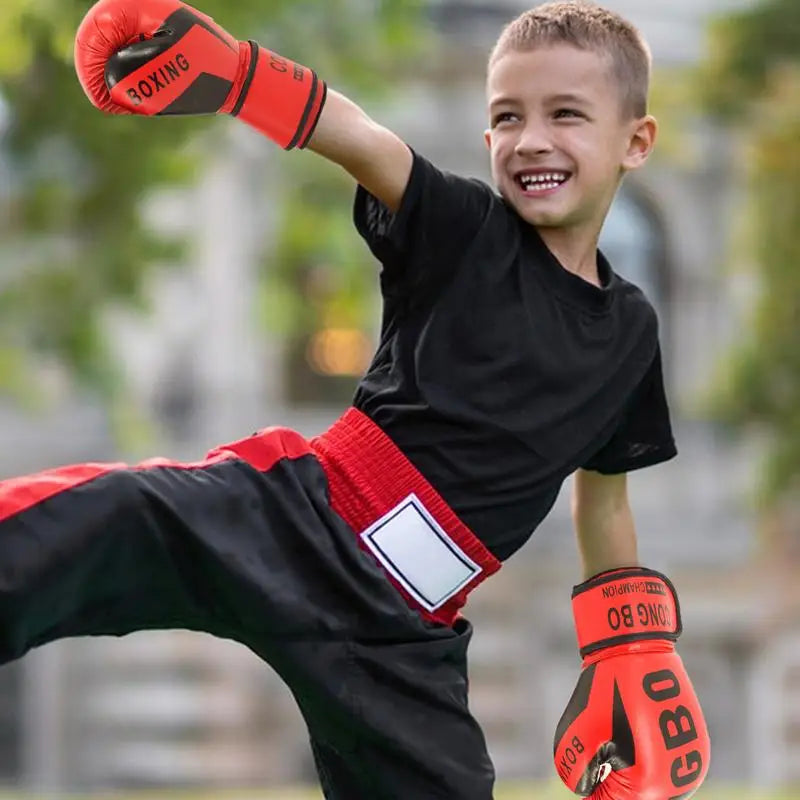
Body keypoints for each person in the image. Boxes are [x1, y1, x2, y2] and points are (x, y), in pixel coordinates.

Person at [0, 1, 710, 797]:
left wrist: (628, 650)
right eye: (508, 116)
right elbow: (361, 138)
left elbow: (604, 499)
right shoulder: (464, 228)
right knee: (113, 516)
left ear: (636, 141)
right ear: (487, 141)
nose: (531, 139)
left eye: (566, 114)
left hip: (404, 637)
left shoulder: (633, 334)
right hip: (296, 519)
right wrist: (236, 74)